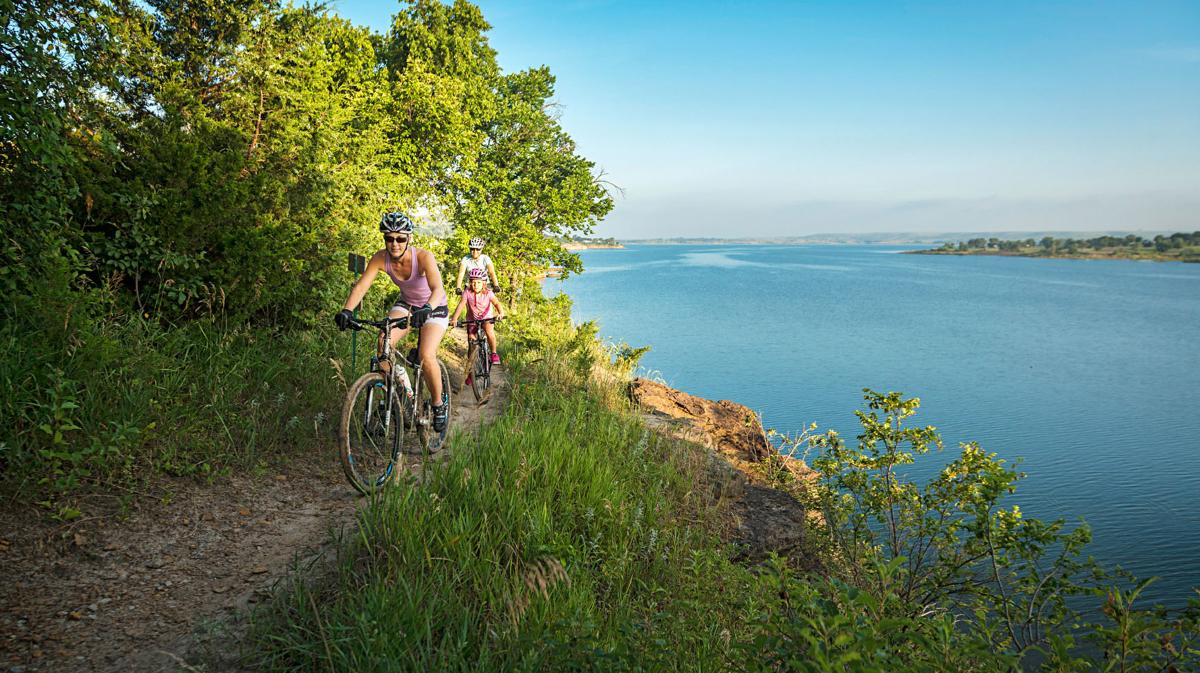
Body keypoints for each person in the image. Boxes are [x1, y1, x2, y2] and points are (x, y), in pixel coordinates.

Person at [334, 212, 450, 433]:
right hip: (406, 304)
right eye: (389, 238)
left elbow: (438, 289)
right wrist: (347, 311)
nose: (394, 244)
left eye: (400, 239)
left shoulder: (424, 257)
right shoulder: (380, 258)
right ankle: (399, 395)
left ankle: (438, 404)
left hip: (433, 308)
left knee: (426, 355)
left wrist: (427, 308)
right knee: (383, 343)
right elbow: (361, 287)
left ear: (409, 239)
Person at [450, 267, 505, 383]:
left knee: (489, 330)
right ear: (470, 283)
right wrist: (454, 319)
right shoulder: (467, 293)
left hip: (486, 318)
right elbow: (461, 305)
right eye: (473, 282)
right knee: (471, 342)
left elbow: (496, 303)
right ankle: (471, 373)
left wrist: (501, 313)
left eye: (478, 282)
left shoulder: (488, 293)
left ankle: (494, 353)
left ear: (484, 283)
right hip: (472, 320)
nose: (476, 285)